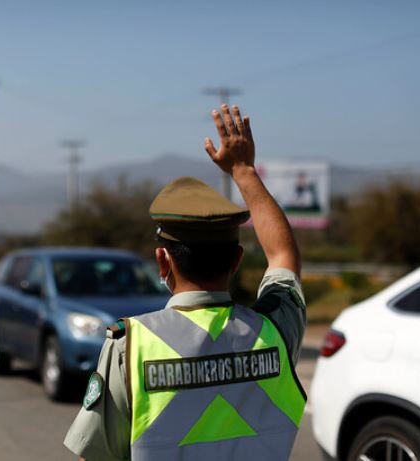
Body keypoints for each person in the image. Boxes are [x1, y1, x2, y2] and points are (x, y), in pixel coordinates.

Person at [64, 103, 307, 461]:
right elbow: (284, 256)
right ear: (236, 260)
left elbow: (96, 456)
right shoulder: (276, 332)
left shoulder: (131, 346)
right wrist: (243, 170)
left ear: (163, 261)